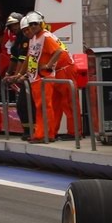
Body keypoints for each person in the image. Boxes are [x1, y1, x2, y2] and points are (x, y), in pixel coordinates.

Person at [24, 11, 76, 141]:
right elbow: (31, 57)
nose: (32, 27)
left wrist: (48, 65)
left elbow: (58, 50)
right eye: (31, 25)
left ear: (41, 24)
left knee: (54, 105)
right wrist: (23, 73)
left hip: (48, 75)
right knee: (44, 106)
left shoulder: (46, 37)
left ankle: (50, 133)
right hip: (39, 76)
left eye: (35, 24)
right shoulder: (35, 38)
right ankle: (41, 133)